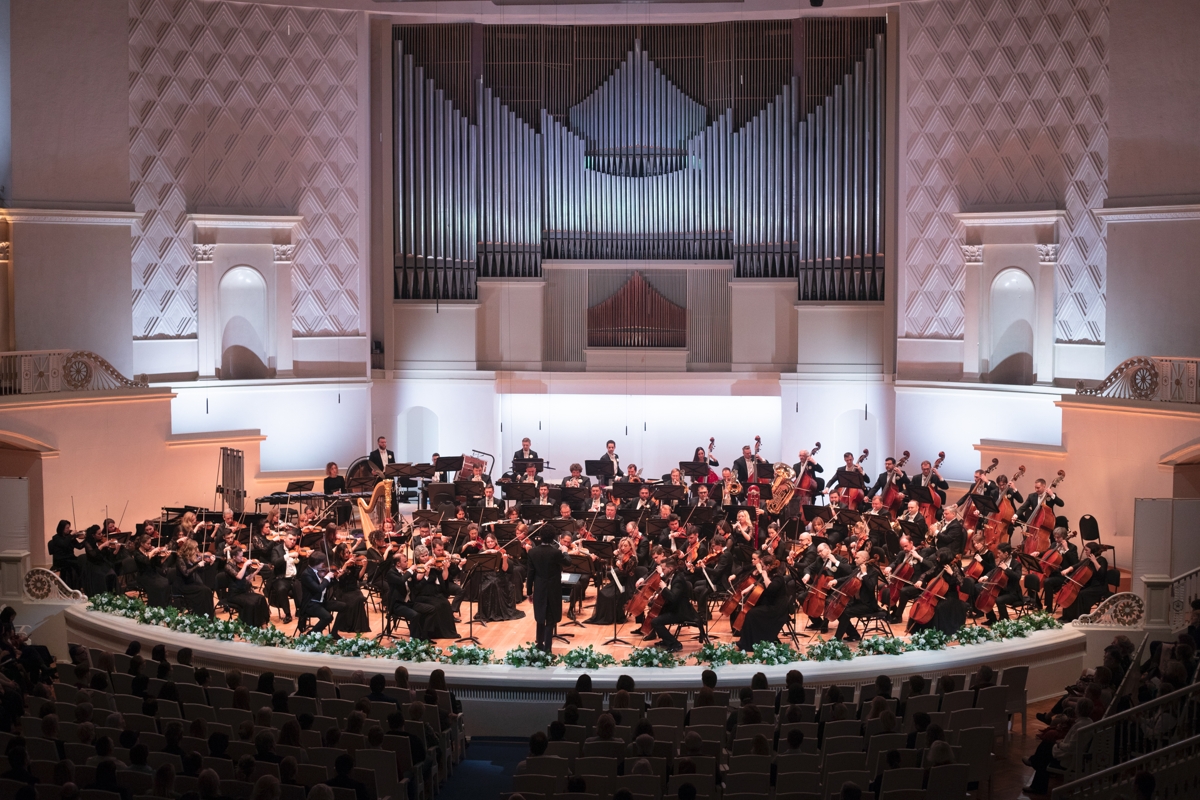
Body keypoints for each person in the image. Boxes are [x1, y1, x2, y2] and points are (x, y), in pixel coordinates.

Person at [526, 527, 572, 652]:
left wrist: (529, 591)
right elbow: (568, 562)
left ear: (540, 537)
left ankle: (539, 645)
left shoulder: (532, 552)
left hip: (539, 588)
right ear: (553, 539)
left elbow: (530, 574)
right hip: (553, 589)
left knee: (540, 617)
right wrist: (564, 551)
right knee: (550, 619)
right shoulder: (556, 552)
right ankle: (547, 650)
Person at [735, 555, 789, 651]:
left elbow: (771, 587)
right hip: (770, 605)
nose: (762, 568)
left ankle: (751, 643)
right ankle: (750, 642)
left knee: (752, 614)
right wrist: (748, 589)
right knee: (752, 612)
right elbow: (759, 583)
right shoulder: (770, 574)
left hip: (777, 608)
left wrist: (764, 575)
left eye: (763, 566)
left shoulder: (778, 577)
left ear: (768, 566)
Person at [473, 532, 525, 622]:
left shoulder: (501, 551)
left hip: (499, 575)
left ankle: (497, 612)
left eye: (492, 542)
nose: (490, 544)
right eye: (488, 542)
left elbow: (505, 569)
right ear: (485, 543)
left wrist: (504, 560)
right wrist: (488, 552)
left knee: (494, 583)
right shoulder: (482, 551)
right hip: (486, 576)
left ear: (495, 542)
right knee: (488, 584)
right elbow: (477, 559)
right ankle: (487, 613)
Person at [648, 559, 697, 653]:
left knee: (655, 622)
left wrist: (664, 588)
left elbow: (673, 597)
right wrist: (657, 596)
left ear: (670, 568)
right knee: (655, 613)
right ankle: (666, 641)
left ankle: (675, 644)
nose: (662, 571)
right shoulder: (672, 576)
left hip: (681, 611)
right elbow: (670, 594)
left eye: (663, 569)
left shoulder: (678, 579)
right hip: (675, 608)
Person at [223, 548, 270, 627]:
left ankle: (262, 624)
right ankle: (250, 626)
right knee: (251, 603)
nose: (242, 558)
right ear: (234, 557)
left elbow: (247, 579)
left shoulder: (239, 564)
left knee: (261, 598)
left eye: (242, 556)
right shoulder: (228, 566)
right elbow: (239, 576)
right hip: (234, 595)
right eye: (240, 557)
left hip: (243, 592)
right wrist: (245, 565)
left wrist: (257, 570)